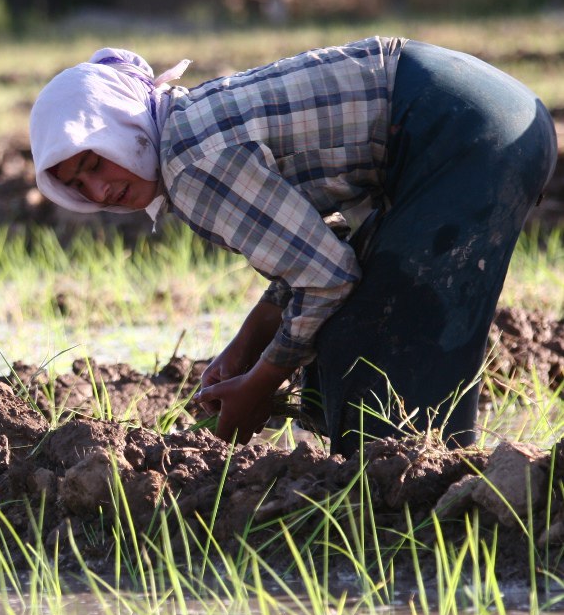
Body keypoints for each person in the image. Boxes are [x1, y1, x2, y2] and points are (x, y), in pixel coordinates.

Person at [30, 38, 557, 455]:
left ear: (122, 122)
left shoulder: (190, 164)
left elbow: (328, 278)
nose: (99, 190)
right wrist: (248, 344)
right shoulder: (186, 132)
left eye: (94, 162)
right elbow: (317, 247)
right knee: (353, 335)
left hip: (466, 131)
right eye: (78, 185)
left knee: (382, 365)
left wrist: (260, 384)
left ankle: (432, 503)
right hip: (476, 110)